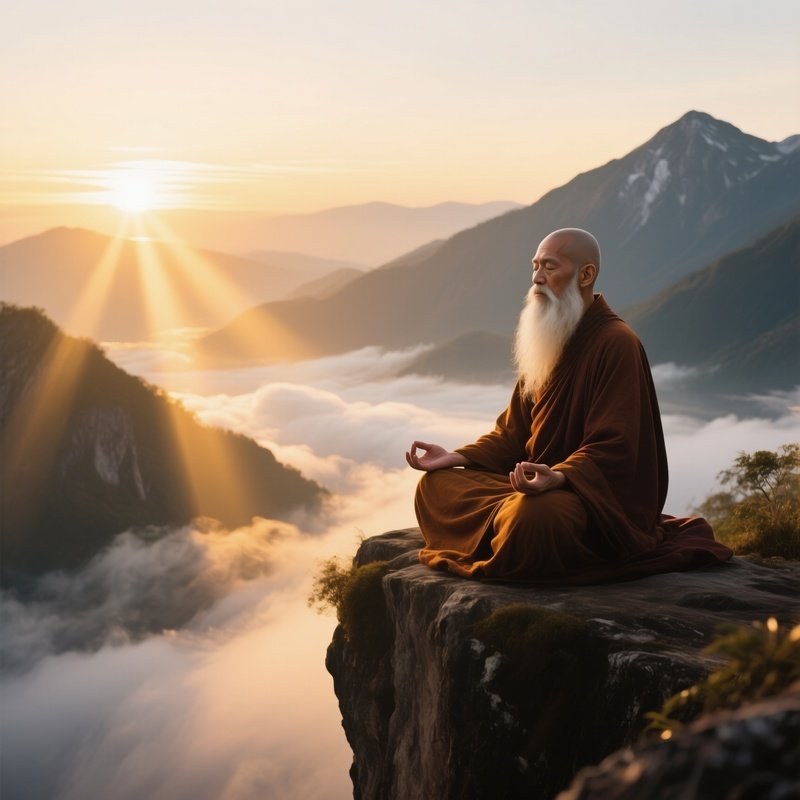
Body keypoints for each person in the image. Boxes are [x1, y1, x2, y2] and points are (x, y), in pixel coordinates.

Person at [406, 228, 732, 584]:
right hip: (532, 485)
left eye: (549, 267)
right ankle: (510, 524)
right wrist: (457, 458)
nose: (536, 278)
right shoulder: (549, 337)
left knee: (535, 517)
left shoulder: (617, 344)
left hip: (588, 501)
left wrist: (560, 477)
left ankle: (512, 526)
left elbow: (616, 447)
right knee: (434, 487)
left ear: (586, 275)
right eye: (534, 267)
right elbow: (513, 433)